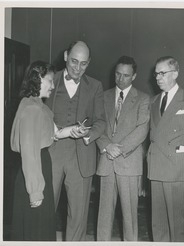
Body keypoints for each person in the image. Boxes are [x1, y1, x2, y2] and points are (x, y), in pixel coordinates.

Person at [10, 61, 80, 241]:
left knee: (40, 227)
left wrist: (74, 130)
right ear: (38, 79)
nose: (53, 85)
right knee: (36, 230)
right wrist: (35, 191)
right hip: (35, 171)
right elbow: (29, 153)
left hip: (40, 167)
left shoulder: (37, 106)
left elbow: (53, 134)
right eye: (50, 80)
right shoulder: (32, 109)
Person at [45, 41, 106, 241]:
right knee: (45, 212)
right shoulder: (48, 80)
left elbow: (101, 121)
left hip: (81, 157)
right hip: (51, 153)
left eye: (83, 64)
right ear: (65, 56)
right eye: (73, 61)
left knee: (78, 218)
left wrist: (88, 135)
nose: (77, 68)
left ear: (88, 64)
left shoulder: (95, 86)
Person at [147, 56, 184, 242]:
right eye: (156, 74)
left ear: (176, 74)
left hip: (178, 172)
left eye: (162, 73)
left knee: (177, 225)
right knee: (158, 224)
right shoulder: (153, 101)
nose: (158, 77)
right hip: (156, 170)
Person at [96, 56, 150, 241]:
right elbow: (97, 126)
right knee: (103, 215)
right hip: (106, 161)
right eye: (118, 74)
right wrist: (106, 146)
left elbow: (142, 129)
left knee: (130, 217)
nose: (120, 79)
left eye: (126, 75)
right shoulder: (102, 97)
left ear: (134, 76)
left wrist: (119, 149)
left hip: (129, 163)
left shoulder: (143, 99)